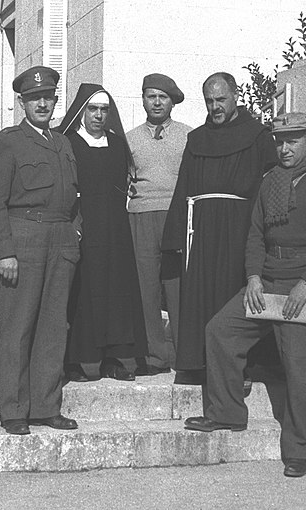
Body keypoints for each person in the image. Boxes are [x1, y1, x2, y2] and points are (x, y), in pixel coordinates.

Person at [184, 113, 306, 479]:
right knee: (220, 330)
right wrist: (254, 277)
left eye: (292, 140)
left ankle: (299, 451)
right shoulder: (269, 182)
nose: (284, 148)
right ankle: (226, 412)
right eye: (279, 141)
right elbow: (256, 235)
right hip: (269, 279)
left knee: (301, 371)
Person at [161, 72, 279, 386]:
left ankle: (240, 366)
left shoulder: (257, 135)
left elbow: (271, 184)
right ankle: (197, 362)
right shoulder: (196, 139)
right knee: (199, 294)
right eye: (210, 101)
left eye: (221, 100)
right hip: (199, 230)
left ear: (236, 96)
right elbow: (184, 184)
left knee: (232, 293)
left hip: (240, 228)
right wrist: (174, 235)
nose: (215, 107)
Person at [0, 66, 80, 435]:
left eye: (48, 97)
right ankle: (14, 410)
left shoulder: (63, 143)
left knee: (54, 327)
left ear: (55, 101)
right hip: (24, 240)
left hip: (61, 240)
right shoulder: (8, 142)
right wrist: (5, 251)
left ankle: (45, 406)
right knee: (18, 327)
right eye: (34, 98)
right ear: (22, 102)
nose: (42, 103)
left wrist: (76, 233)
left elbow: (75, 198)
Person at [57, 83, 149, 382]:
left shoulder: (117, 144)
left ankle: (113, 358)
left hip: (114, 229)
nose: (99, 115)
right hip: (82, 227)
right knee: (81, 291)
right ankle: (74, 361)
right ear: (82, 111)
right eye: (93, 109)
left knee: (115, 290)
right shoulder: (68, 142)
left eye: (104, 110)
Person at [126, 73, 192, 376]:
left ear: (172, 102)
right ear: (142, 99)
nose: (156, 102)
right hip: (140, 216)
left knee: (177, 286)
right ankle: (154, 354)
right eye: (150, 96)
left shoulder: (188, 136)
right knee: (144, 286)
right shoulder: (130, 139)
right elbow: (125, 181)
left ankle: (183, 353)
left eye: (162, 97)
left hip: (176, 216)